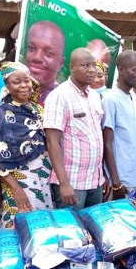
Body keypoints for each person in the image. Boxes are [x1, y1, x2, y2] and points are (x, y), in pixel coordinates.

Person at [0, 62, 53, 228]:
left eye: (27, 80)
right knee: (19, 226)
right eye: (16, 82)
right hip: (18, 180)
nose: (24, 85)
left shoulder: (38, 109)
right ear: (7, 86)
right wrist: (17, 190)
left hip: (44, 177)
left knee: (43, 228)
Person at [44, 48, 105, 210]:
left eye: (94, 65)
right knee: (72, 232)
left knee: (93, 230)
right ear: (71, 67)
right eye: (85, 65)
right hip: (72, 183)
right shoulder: (59, 96)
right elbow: (52, 142)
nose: (92, 70)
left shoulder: (94, 96)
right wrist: (64, 184)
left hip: (95, 181)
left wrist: (101, 177)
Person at [102, 50, 136, 199]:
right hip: (121, 181)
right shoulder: (111, 99)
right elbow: (107, 142)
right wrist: (116, 182)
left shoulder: (131, 97)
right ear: (121, 69)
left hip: (135, 179)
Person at [26, 21, 66, 105]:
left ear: (60, 63)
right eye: (31, 48)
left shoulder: (64, 100)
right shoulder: (9, 92)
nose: (37, 57)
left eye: (49, 53)